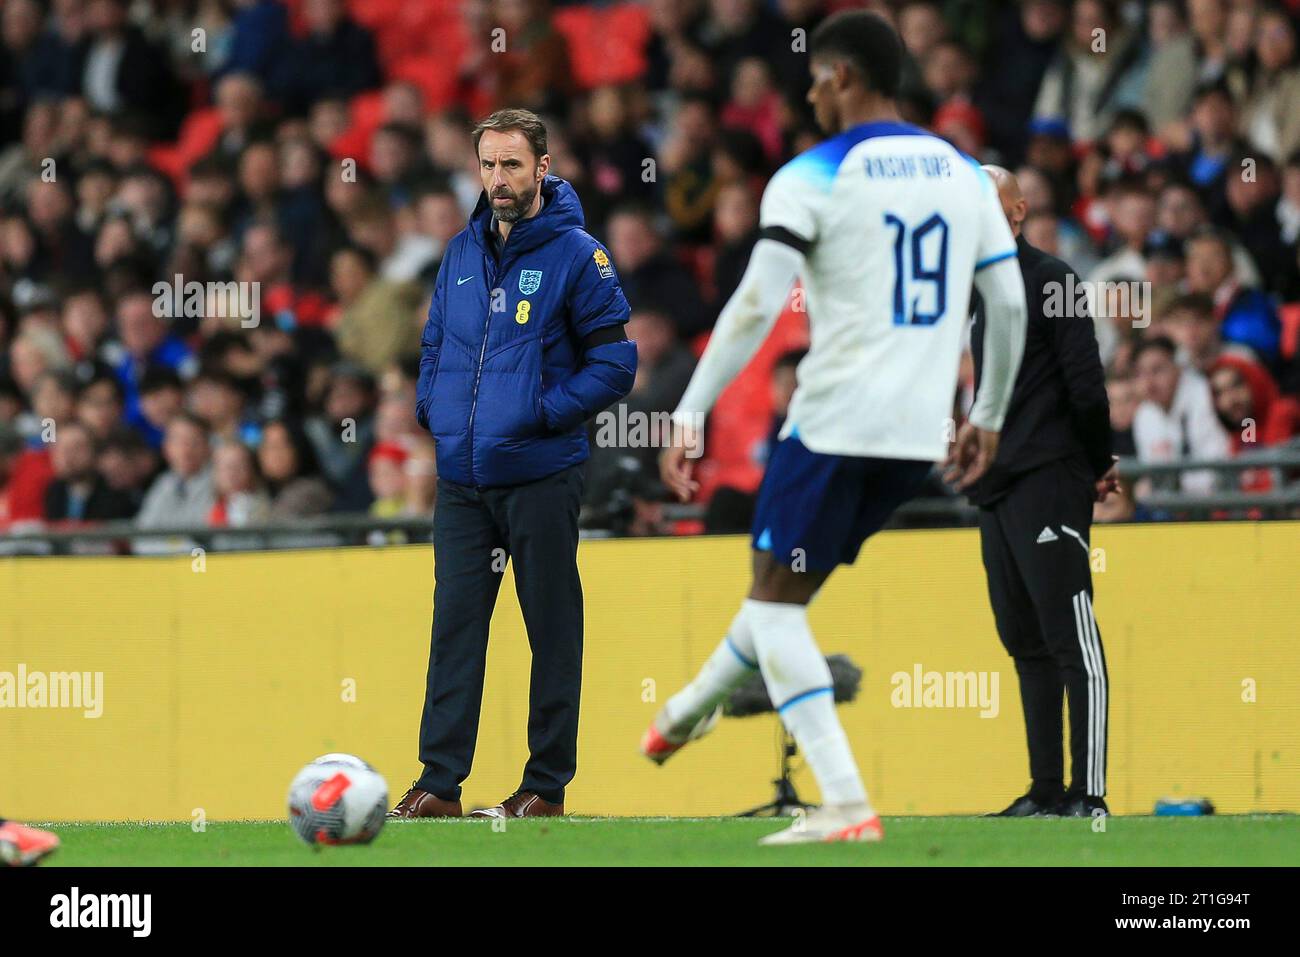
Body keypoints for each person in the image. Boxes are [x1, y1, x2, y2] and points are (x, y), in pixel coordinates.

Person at [642, 11, 1027, 845]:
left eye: (816, 77)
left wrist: (688, 411)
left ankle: (846, 801)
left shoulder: (811, 173)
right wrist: (986, 416)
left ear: (844, 78)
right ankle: (685, 710)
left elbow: (752, 304)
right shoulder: (963, 172)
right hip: (917, 434)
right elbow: (1007, 299)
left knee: (775, 604)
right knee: (781, 591)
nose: (810, 92)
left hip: (831, 421)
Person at [389, 109, 636, 821]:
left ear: (543, 169)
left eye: (513, 165)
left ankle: (545, 785)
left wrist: (542, 411)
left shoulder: (578, 254)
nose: (499, 179)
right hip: (463, 481)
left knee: (550, 627)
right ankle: (440, 781)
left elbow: (618, 361)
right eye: (489, 165)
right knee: (455, 627)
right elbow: (434, 343)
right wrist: (434, 407)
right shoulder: (461, 252)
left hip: (539, 474)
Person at [967, 166, 1116, 818]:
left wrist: (1098, 459)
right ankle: (1046, 790)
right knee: (1024, 641)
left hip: (1051, 473)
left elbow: (1086, 383)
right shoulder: (969, 290)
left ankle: (1090, 792)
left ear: (1020, 210)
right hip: (996, 486)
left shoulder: (1053, 279)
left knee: (1071, 637)